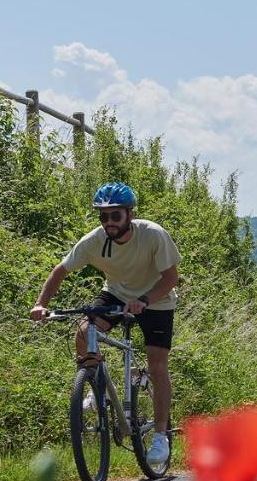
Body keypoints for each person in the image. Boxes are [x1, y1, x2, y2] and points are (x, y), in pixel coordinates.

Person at [29, 182, 180, 465]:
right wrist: (41, 304)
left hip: (157, 299)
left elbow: (171, 279)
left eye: (115, 216)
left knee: (157, 364)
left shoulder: (153, 235)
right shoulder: (94, 241)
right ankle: (94, 388)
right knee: (85, 332)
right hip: (116, 294)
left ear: (130, 215)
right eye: (103, 216)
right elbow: (60, 270)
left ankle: (160, 436)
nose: (108, 222)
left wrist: (144, 300)